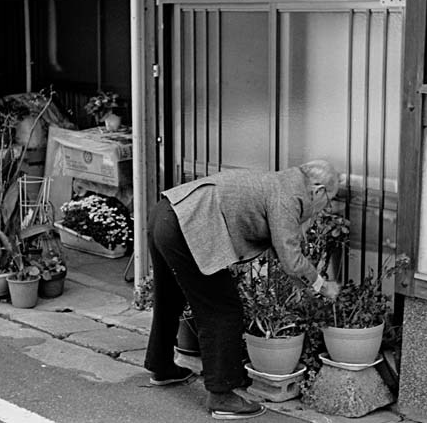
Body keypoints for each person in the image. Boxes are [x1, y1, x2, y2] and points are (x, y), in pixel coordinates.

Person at [143, 159, 342, 420]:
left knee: (169, 297)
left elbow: (282, 251)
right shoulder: (290, 195)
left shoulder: (281, 183)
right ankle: (222, 397)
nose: (324, 209)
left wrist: (302, 285)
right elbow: (290, 257)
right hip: (188, 227)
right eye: (328, 201)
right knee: (222, 310)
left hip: (167, 212)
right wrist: (322, 285)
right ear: (318, 190)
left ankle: (162, 367)